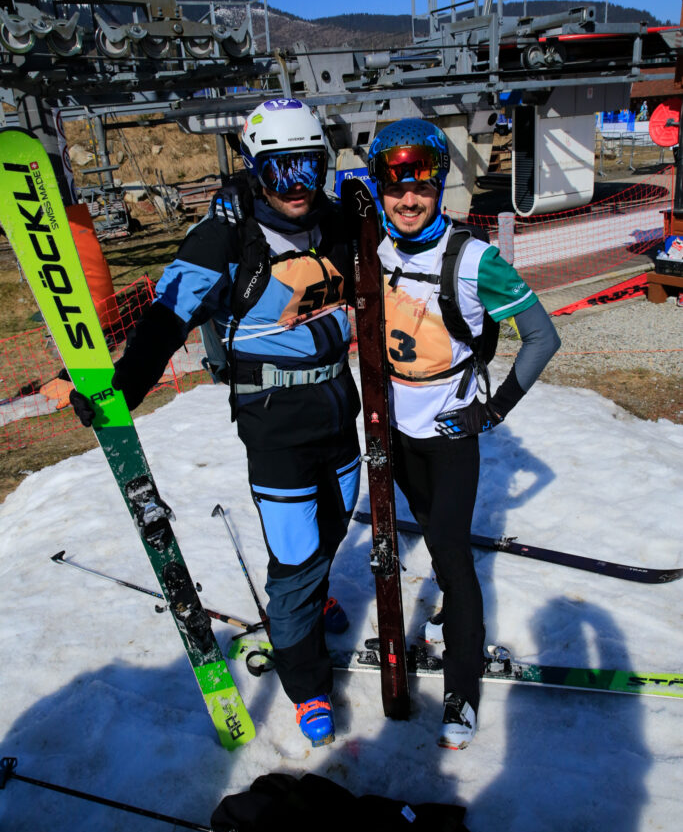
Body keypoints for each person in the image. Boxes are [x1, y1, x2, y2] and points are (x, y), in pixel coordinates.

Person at [71, 98, 361, 748]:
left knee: (333, 527)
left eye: (309, 168)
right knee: (294, 556)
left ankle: (311, 593)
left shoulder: (335, 222)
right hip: (274, 422)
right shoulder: (226, 235)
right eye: (280, 171)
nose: (297, 186)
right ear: (257, 169)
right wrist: (121, 387)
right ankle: (307, 683)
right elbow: (166, 317)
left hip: (339, 408)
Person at [365, 118, 561, 750]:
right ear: (378, 188)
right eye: (394, 185)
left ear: (439, 185)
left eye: (422, 183)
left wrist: (493, 410)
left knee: (450, 552)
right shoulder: (373, 249)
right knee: (430, 532)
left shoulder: (476, 260)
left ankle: (461, 690)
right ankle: (450, 606)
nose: (409, 198)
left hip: (451, 430)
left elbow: (543, 337)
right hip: (394, 430)